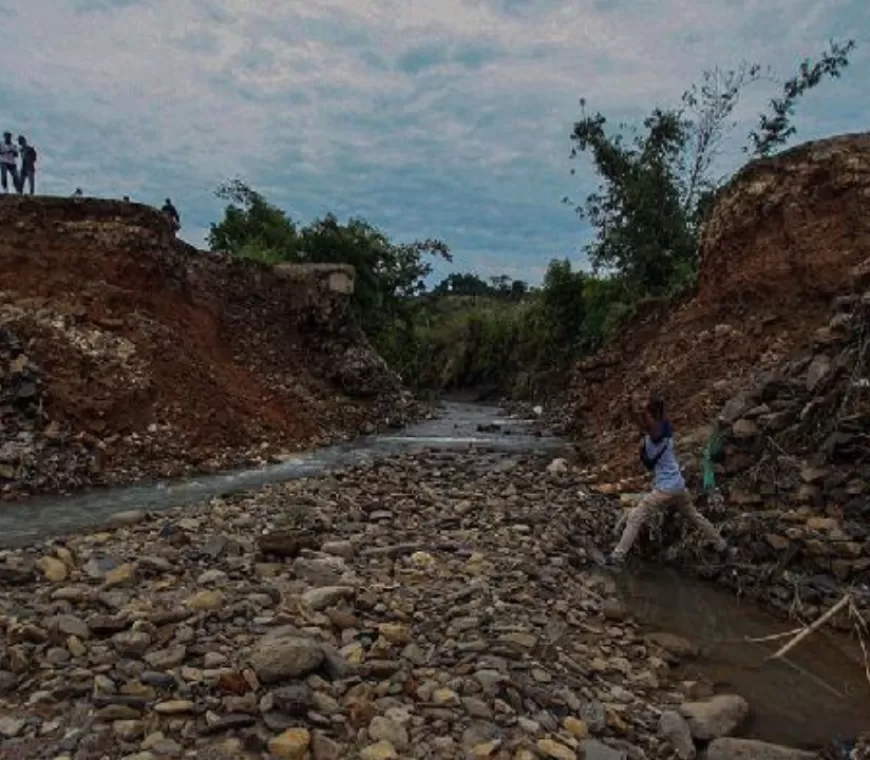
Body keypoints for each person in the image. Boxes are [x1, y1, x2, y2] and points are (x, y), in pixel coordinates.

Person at [604, 393, 727, 567]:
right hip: (678, 486)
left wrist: (639, 411)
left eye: (646, 411)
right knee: (694, 516)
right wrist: (631, 410)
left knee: (636, 517)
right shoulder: (664, 428)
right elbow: (642, 424)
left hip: (665, 489)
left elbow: (649, 428)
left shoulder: (657, 434)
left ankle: (617, 556)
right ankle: (722, 546)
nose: (643, 416)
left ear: (651, 414)